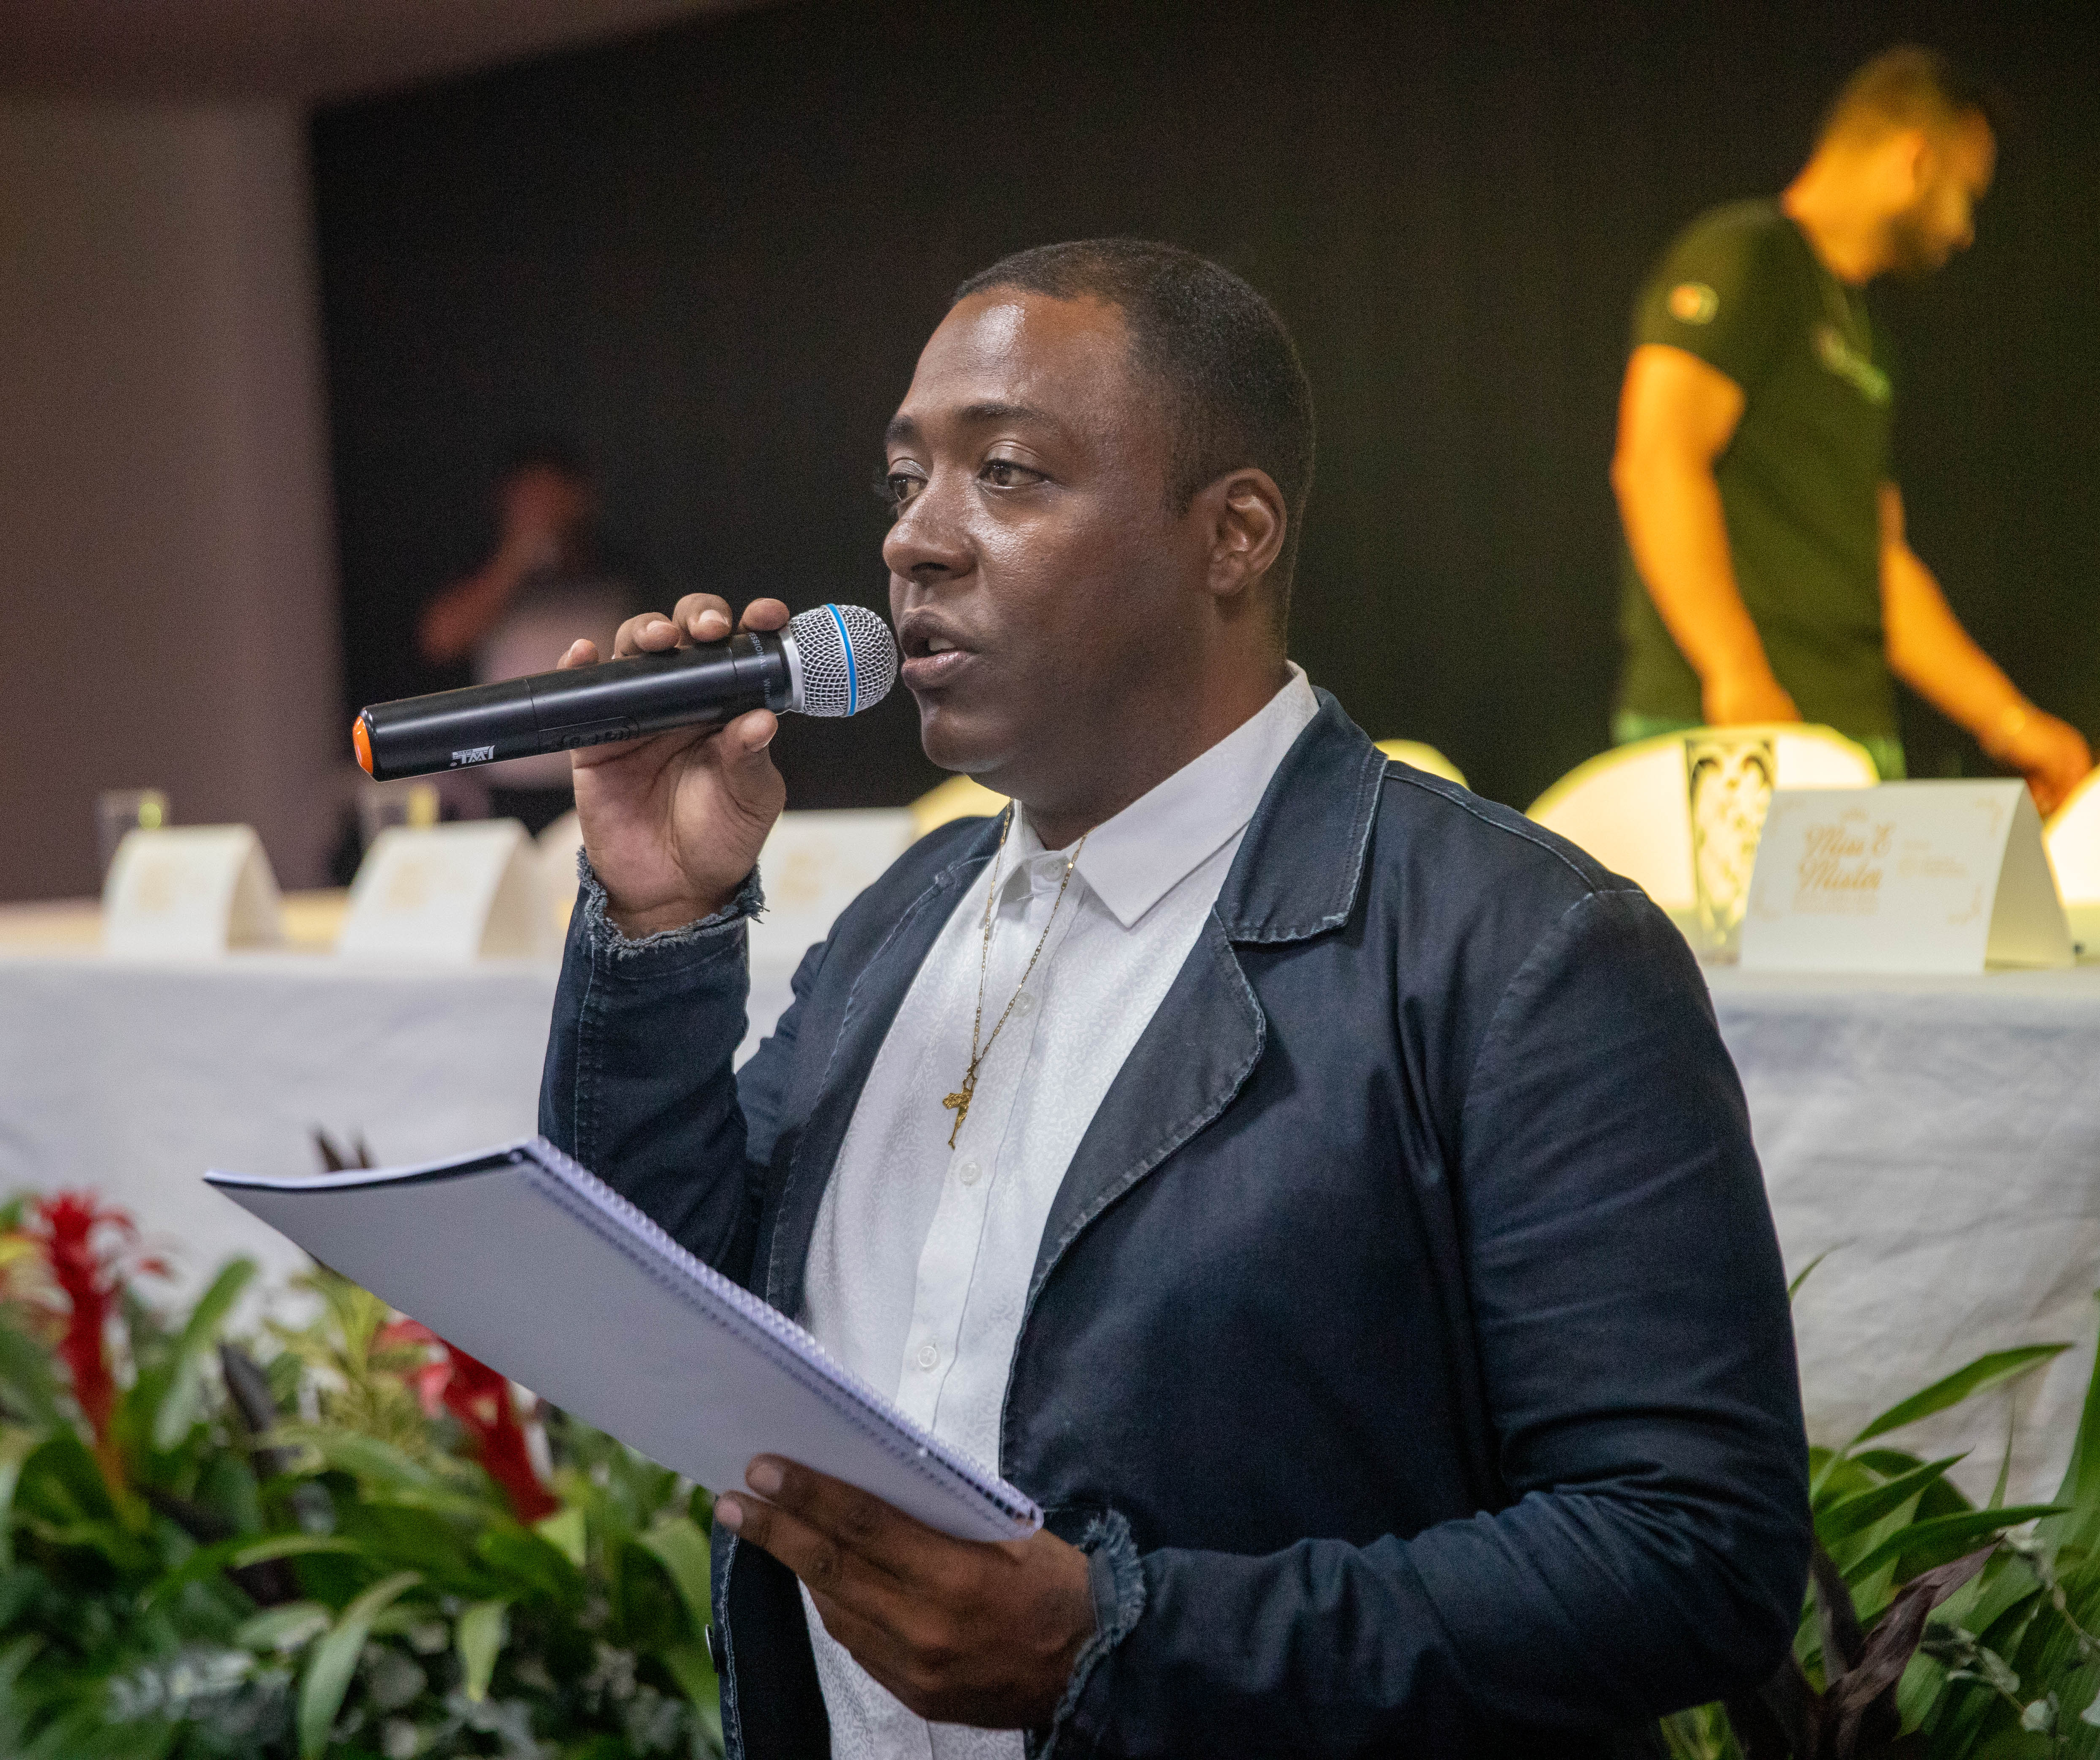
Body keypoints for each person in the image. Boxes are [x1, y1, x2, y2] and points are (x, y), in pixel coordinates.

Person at [539, 240, 1809, 1757]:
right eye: (905, 481)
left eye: (1005, 473)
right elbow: (667, 1315)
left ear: (1233, 536)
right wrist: (660, 917)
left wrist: (1118, 1646)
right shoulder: (907, 915)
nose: (915, 543)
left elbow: (1688, 1554)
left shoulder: (1520, 949)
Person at [1612, 47, 2094, 809]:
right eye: (1966, 195)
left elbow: (1880, 564)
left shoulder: (1866, 333)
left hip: (1850, 735)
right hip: (1730, 739)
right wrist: (1737, 674)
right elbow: (1657, 462)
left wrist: (2010, 721)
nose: (1966, 230)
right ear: (1914, 160)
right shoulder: (1746, 256)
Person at [416, 439, 653, 831]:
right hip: (508, 783)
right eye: (528, 499)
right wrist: (517, 559)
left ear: (581, 498)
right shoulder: (483, 571)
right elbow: (441, 639)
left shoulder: (616, 573)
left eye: (551, 497)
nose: (541, 511)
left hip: (605, 774)